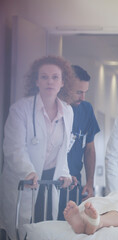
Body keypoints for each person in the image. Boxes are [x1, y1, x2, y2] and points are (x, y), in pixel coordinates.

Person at [0, 56, 74, 240]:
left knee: (45, 229)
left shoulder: (68, 111)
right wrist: (28, 172)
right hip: (25, 181)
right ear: (36, 81)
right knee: (21, 231)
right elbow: (14, 148)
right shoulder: (20, 109)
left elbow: (63, 149)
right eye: (44, 77)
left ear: (63, 82)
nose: (50, 81)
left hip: (50, 181)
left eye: (55, 77)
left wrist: (64, 173)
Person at [58, 65, 100, 220]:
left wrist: (89, 182)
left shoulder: (86, 109)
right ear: (64, 86)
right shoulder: (55, 108)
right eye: (78, 92)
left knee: (71, 227)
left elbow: (90, 149)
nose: (83, 97)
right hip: (52, 180)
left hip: (75, 183)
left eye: (85, 92)